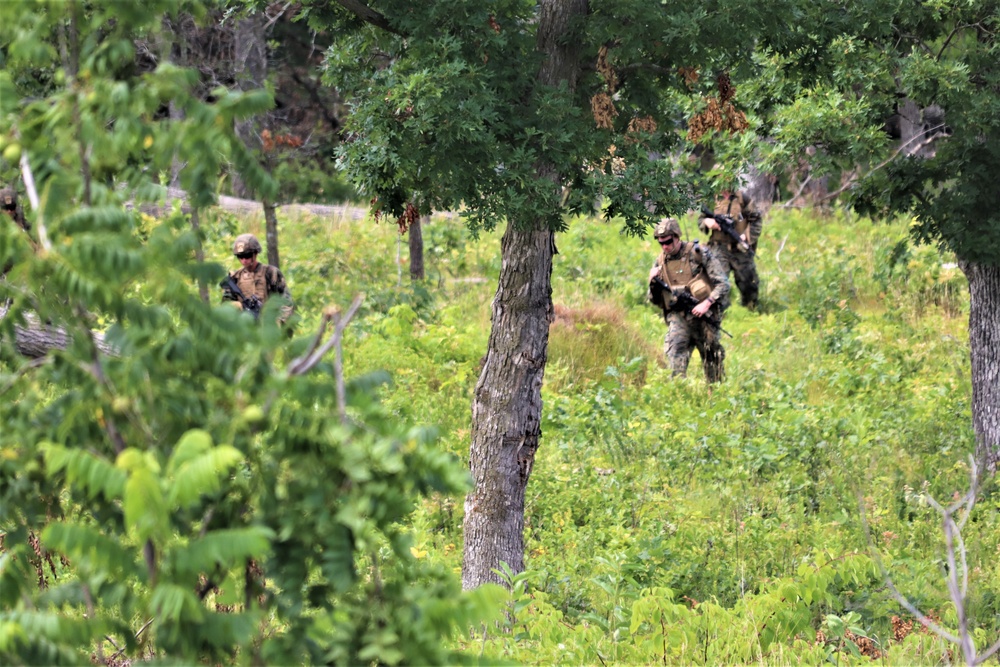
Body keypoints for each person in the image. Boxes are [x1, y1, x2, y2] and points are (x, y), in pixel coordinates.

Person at [648, 217, 730, 383]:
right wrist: (652, 282)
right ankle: (679, 393)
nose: (665, 246)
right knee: (675, 352)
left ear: (677, 237)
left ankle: (716, 394)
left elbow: (723, 284)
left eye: (669, 241)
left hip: (705, 317)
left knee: (712, 357)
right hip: (679, 317)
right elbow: (654, 300)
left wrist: (706, 303)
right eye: (661, 243)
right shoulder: (660, 261)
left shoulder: (698, 254)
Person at [698, 188, 762, 310]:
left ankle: (751, 309)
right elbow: (701, 218)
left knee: (748, 281)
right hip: (718, 247)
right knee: (718, 280)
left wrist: (746, 236)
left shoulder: (743, 199)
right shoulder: (711, 199)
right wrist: (707, 222)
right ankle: (721, 311)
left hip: (740, 248)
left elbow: (756, 219)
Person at [221, 233, 293, 324]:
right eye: (240, 256)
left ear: (255, 253)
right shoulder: (235, 277)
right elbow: (225, 306)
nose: (244, 260)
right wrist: (236, 306)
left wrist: (280, 322)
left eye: (247, 255)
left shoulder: (271, 273)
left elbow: (286, 301)